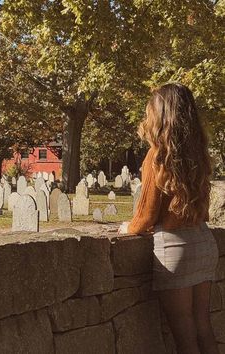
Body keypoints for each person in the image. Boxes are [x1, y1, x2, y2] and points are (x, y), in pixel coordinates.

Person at [118, 83, 219, 354]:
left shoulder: (157, 156)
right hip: (203, 241)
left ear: (159, 115)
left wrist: (127, 227)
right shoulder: (197, 154)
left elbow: (147, 215)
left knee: (185, 336)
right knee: (203, 327)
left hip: (175, 248)